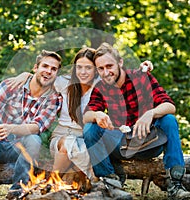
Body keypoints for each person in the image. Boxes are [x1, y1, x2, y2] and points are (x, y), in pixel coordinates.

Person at [9, 47, 153, 192]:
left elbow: (118, 72)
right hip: (60, 137)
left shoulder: (101, 85)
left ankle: (64, 184)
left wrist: (142, 69)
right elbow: (43, 76)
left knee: (85, 149)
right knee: (68, 145)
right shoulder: (64, 83)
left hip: (84, 137)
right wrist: (26, 75)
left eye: (88, 68)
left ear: (95, 69)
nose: (83, 72)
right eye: (79, 67)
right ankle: (54, 181)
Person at [82, 42, 190, 199]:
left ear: (120, 62)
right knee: (89, 128)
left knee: (169, 120)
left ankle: (175, 184)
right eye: (101, 68)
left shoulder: (141, 77)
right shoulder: (100, 87)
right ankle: (110, 183)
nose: (106, 72)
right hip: (121, 145)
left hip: (149, 142)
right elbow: (86, 116)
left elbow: (170, 106)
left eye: (109, 66)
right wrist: (97, 115)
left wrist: (151, 113)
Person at [0, 50, 63, 200]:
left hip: (19, 151)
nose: (48, 71)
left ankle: (16, 193)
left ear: (56, 73)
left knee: (34, 139)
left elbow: (37, 126)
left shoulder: (54, 98)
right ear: (35, 68)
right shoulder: (10, 85)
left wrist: (11, 128)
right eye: (45, 66)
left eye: (53, 69)